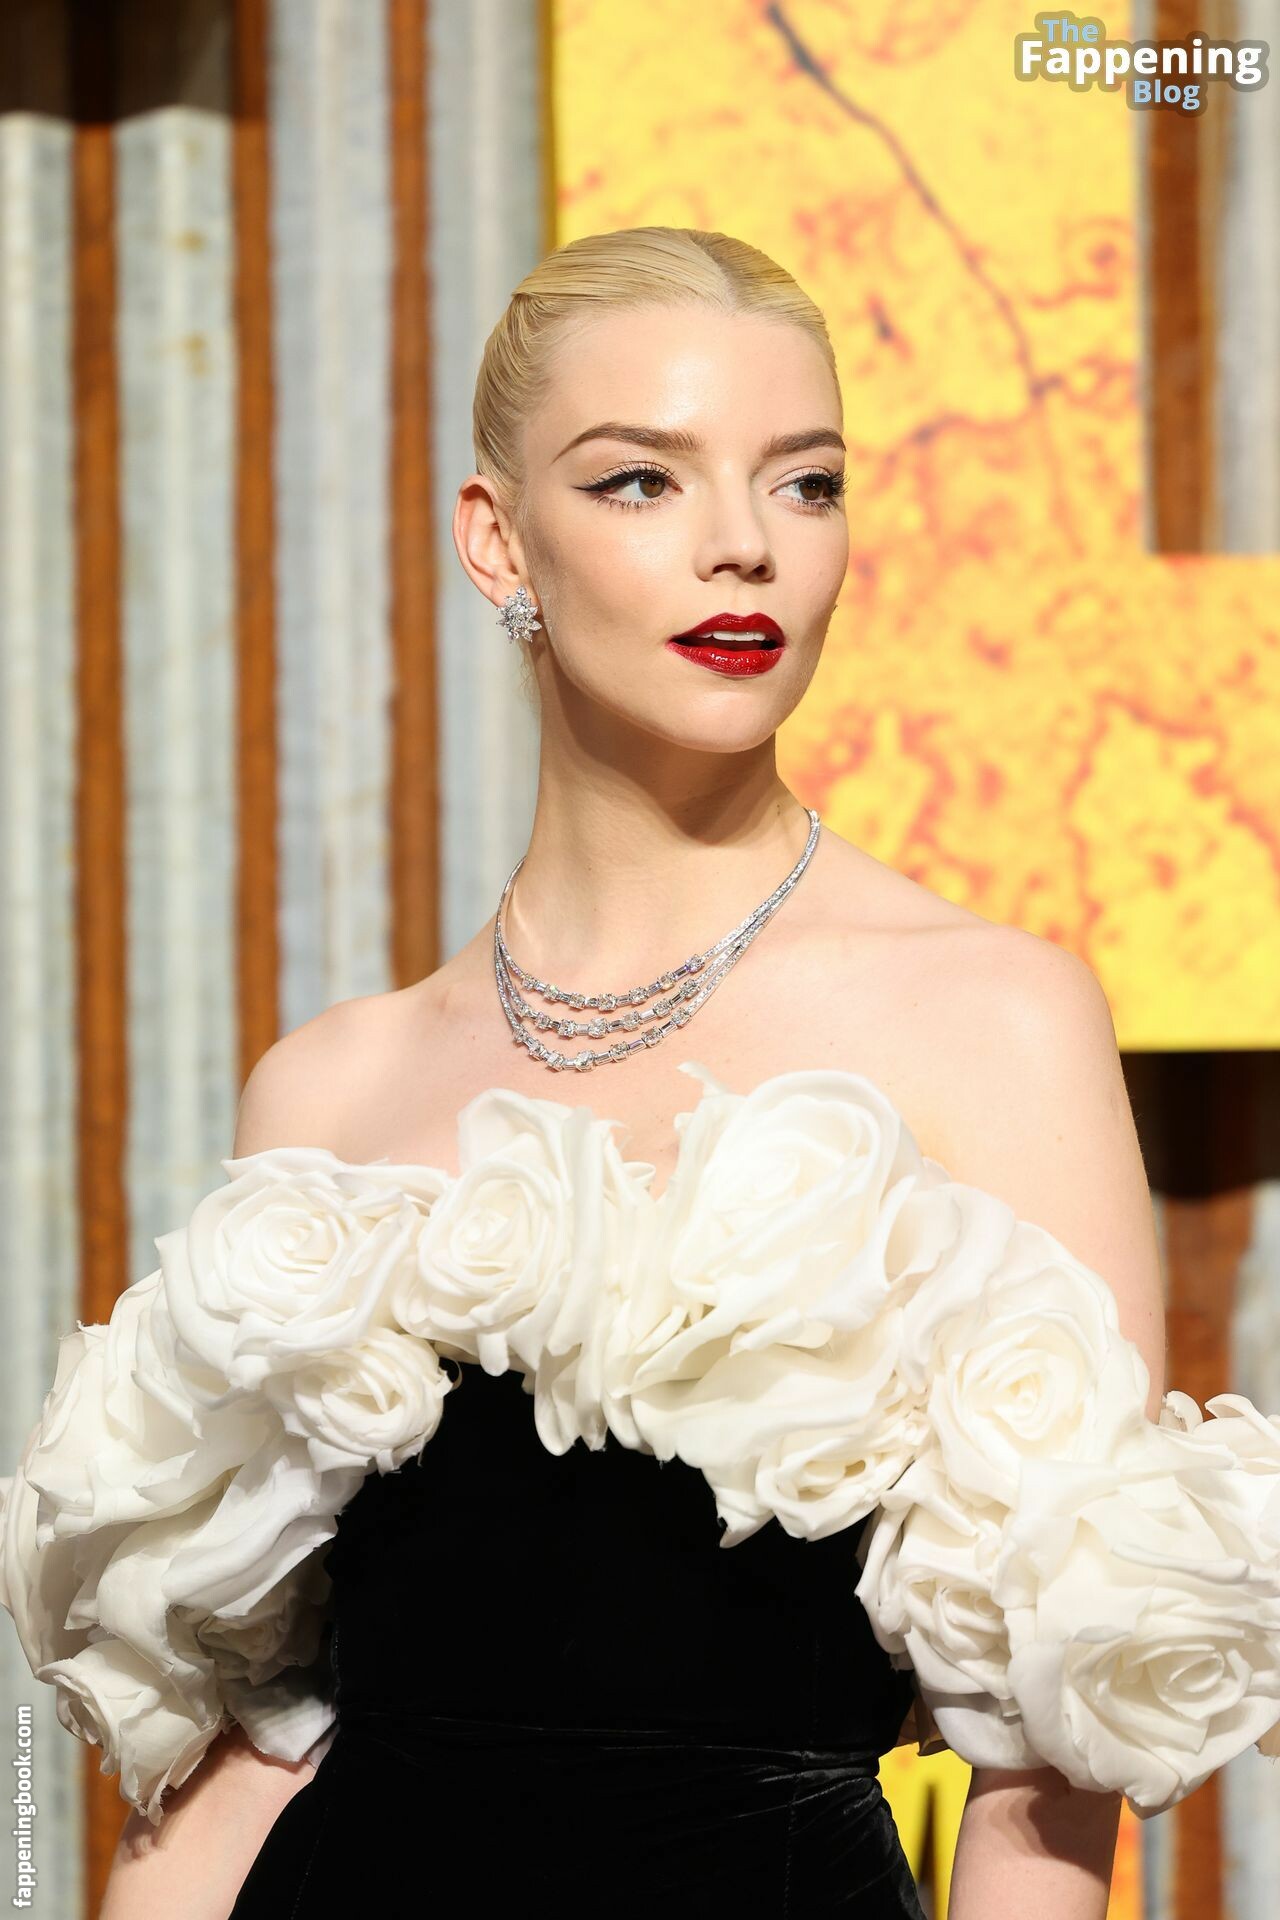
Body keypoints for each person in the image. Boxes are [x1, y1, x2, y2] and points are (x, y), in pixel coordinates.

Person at [4, 226, 1279, 1920]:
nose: (744, 545)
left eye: (805, 483)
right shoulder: (328, 1088)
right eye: (641, 481)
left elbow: (1049, 1774)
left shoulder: (996, 1018)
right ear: (496, 540)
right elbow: (247, 1753)